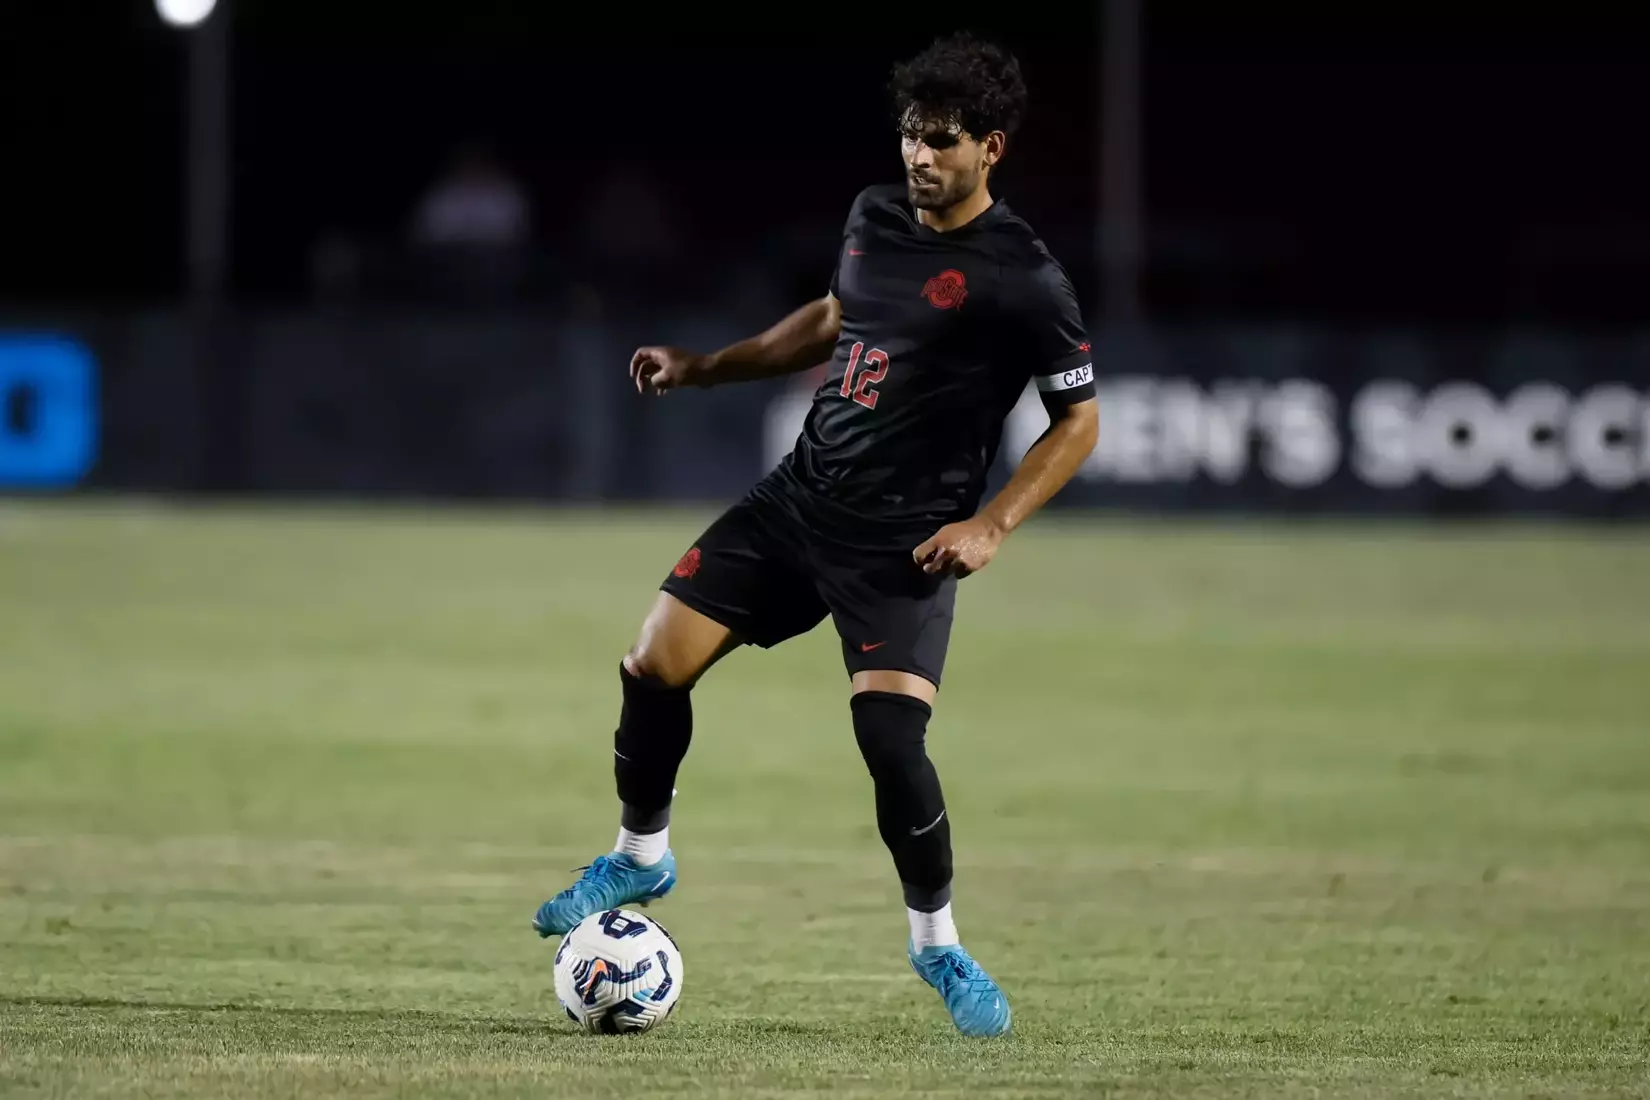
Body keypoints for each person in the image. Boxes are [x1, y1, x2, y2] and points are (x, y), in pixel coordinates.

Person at [533, 33, 1099, 1038]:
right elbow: (835, 318)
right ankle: (642, 851)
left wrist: (991, 524)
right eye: (909, 136)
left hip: (905, 544)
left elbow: (1079, 421)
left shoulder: (1024, 277)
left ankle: (939, 946)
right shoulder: (874, 215)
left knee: (889, 739)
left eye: (940, 140)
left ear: (991, 148)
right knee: (651, 663)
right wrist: (705, 366)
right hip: (800, 500)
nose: (919, 156)